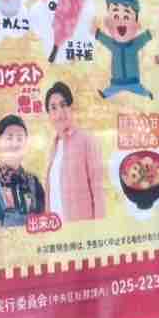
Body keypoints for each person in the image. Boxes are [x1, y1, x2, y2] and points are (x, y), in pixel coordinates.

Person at [42, 82, 106, 221]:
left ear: (72, 108)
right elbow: (50, 194)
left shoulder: (86, 140)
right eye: (53, 108)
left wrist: (99, 227)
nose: (59, 112)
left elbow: (98, 191)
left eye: (63, 105)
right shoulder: (53, 148)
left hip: (81, 229)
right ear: (49, 115)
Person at [0, 115, 46, 228]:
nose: (14, 144)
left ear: (26, 144)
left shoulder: (34, 183)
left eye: (19, 139)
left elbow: (44, 222)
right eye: (9, 138)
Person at [94, 0, 154, 99]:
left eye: (126, 17)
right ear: (108, 22)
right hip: (117, 82)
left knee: (140, 89)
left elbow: (144, 38)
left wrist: (150, 33)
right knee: (111, 90)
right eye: (116, 16)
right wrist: (97, 33)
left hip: (133, 81)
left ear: (136, 23)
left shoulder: (135, 44)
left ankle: (148, 94)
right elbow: (103, 39)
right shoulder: (112, 44)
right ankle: (105, 94)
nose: (121, 22)